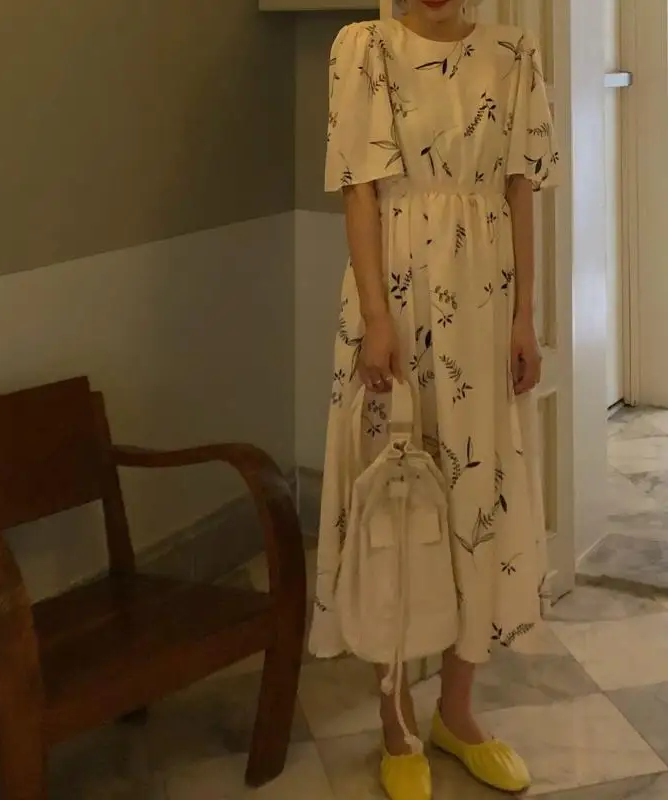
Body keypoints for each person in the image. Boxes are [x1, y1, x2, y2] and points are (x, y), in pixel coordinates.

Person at [308, 0, 559, 798]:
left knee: (475, 497)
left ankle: (456, 712)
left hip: (483, 304)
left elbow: (521, 192)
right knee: (392, 496)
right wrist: (376, 318)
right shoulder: (365, 49)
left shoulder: (514, 55)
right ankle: (397, 723)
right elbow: (359, 190)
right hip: (394, 298)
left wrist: (524, 317)